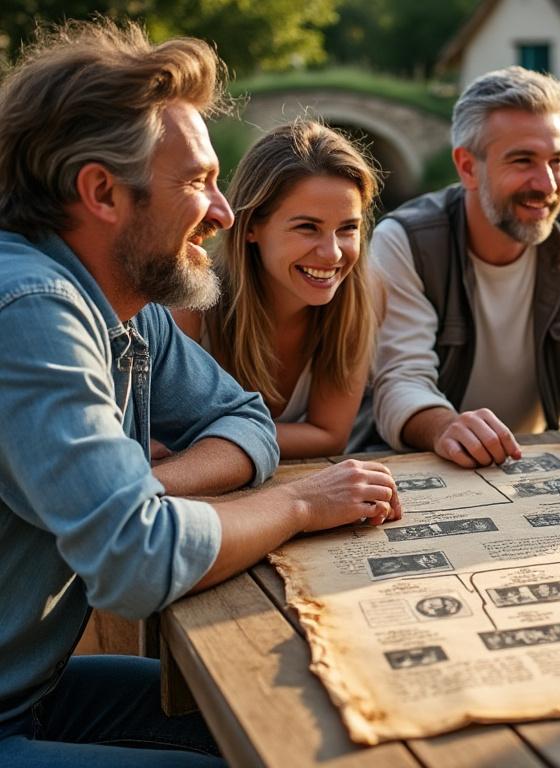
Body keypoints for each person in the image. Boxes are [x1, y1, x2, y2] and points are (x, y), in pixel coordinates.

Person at [0, 22, 401, 765]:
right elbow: (138, 559)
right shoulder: (31, 309)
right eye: (197, 182)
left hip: (31, 689)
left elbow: (244, 417)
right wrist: (300, 505)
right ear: (101, 192)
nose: (223, 212)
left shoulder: (127, 304)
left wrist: (151, 487)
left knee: (309, 723)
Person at [371, 66, 560, 468]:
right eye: (523, 161)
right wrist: (444, 427)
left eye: (557, 161)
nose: (548, 184)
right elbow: (398, 381)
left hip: (538, 461)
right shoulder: (403, 241)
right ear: (468, 167)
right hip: (421, 469)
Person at [174, 119, 381, 459]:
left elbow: (330, 436)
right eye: (307, 227)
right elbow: (164, 432)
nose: (332, 253)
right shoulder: (190, 308)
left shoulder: (354, 304)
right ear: (251, 226)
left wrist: (211, 437)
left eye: (347, 229)